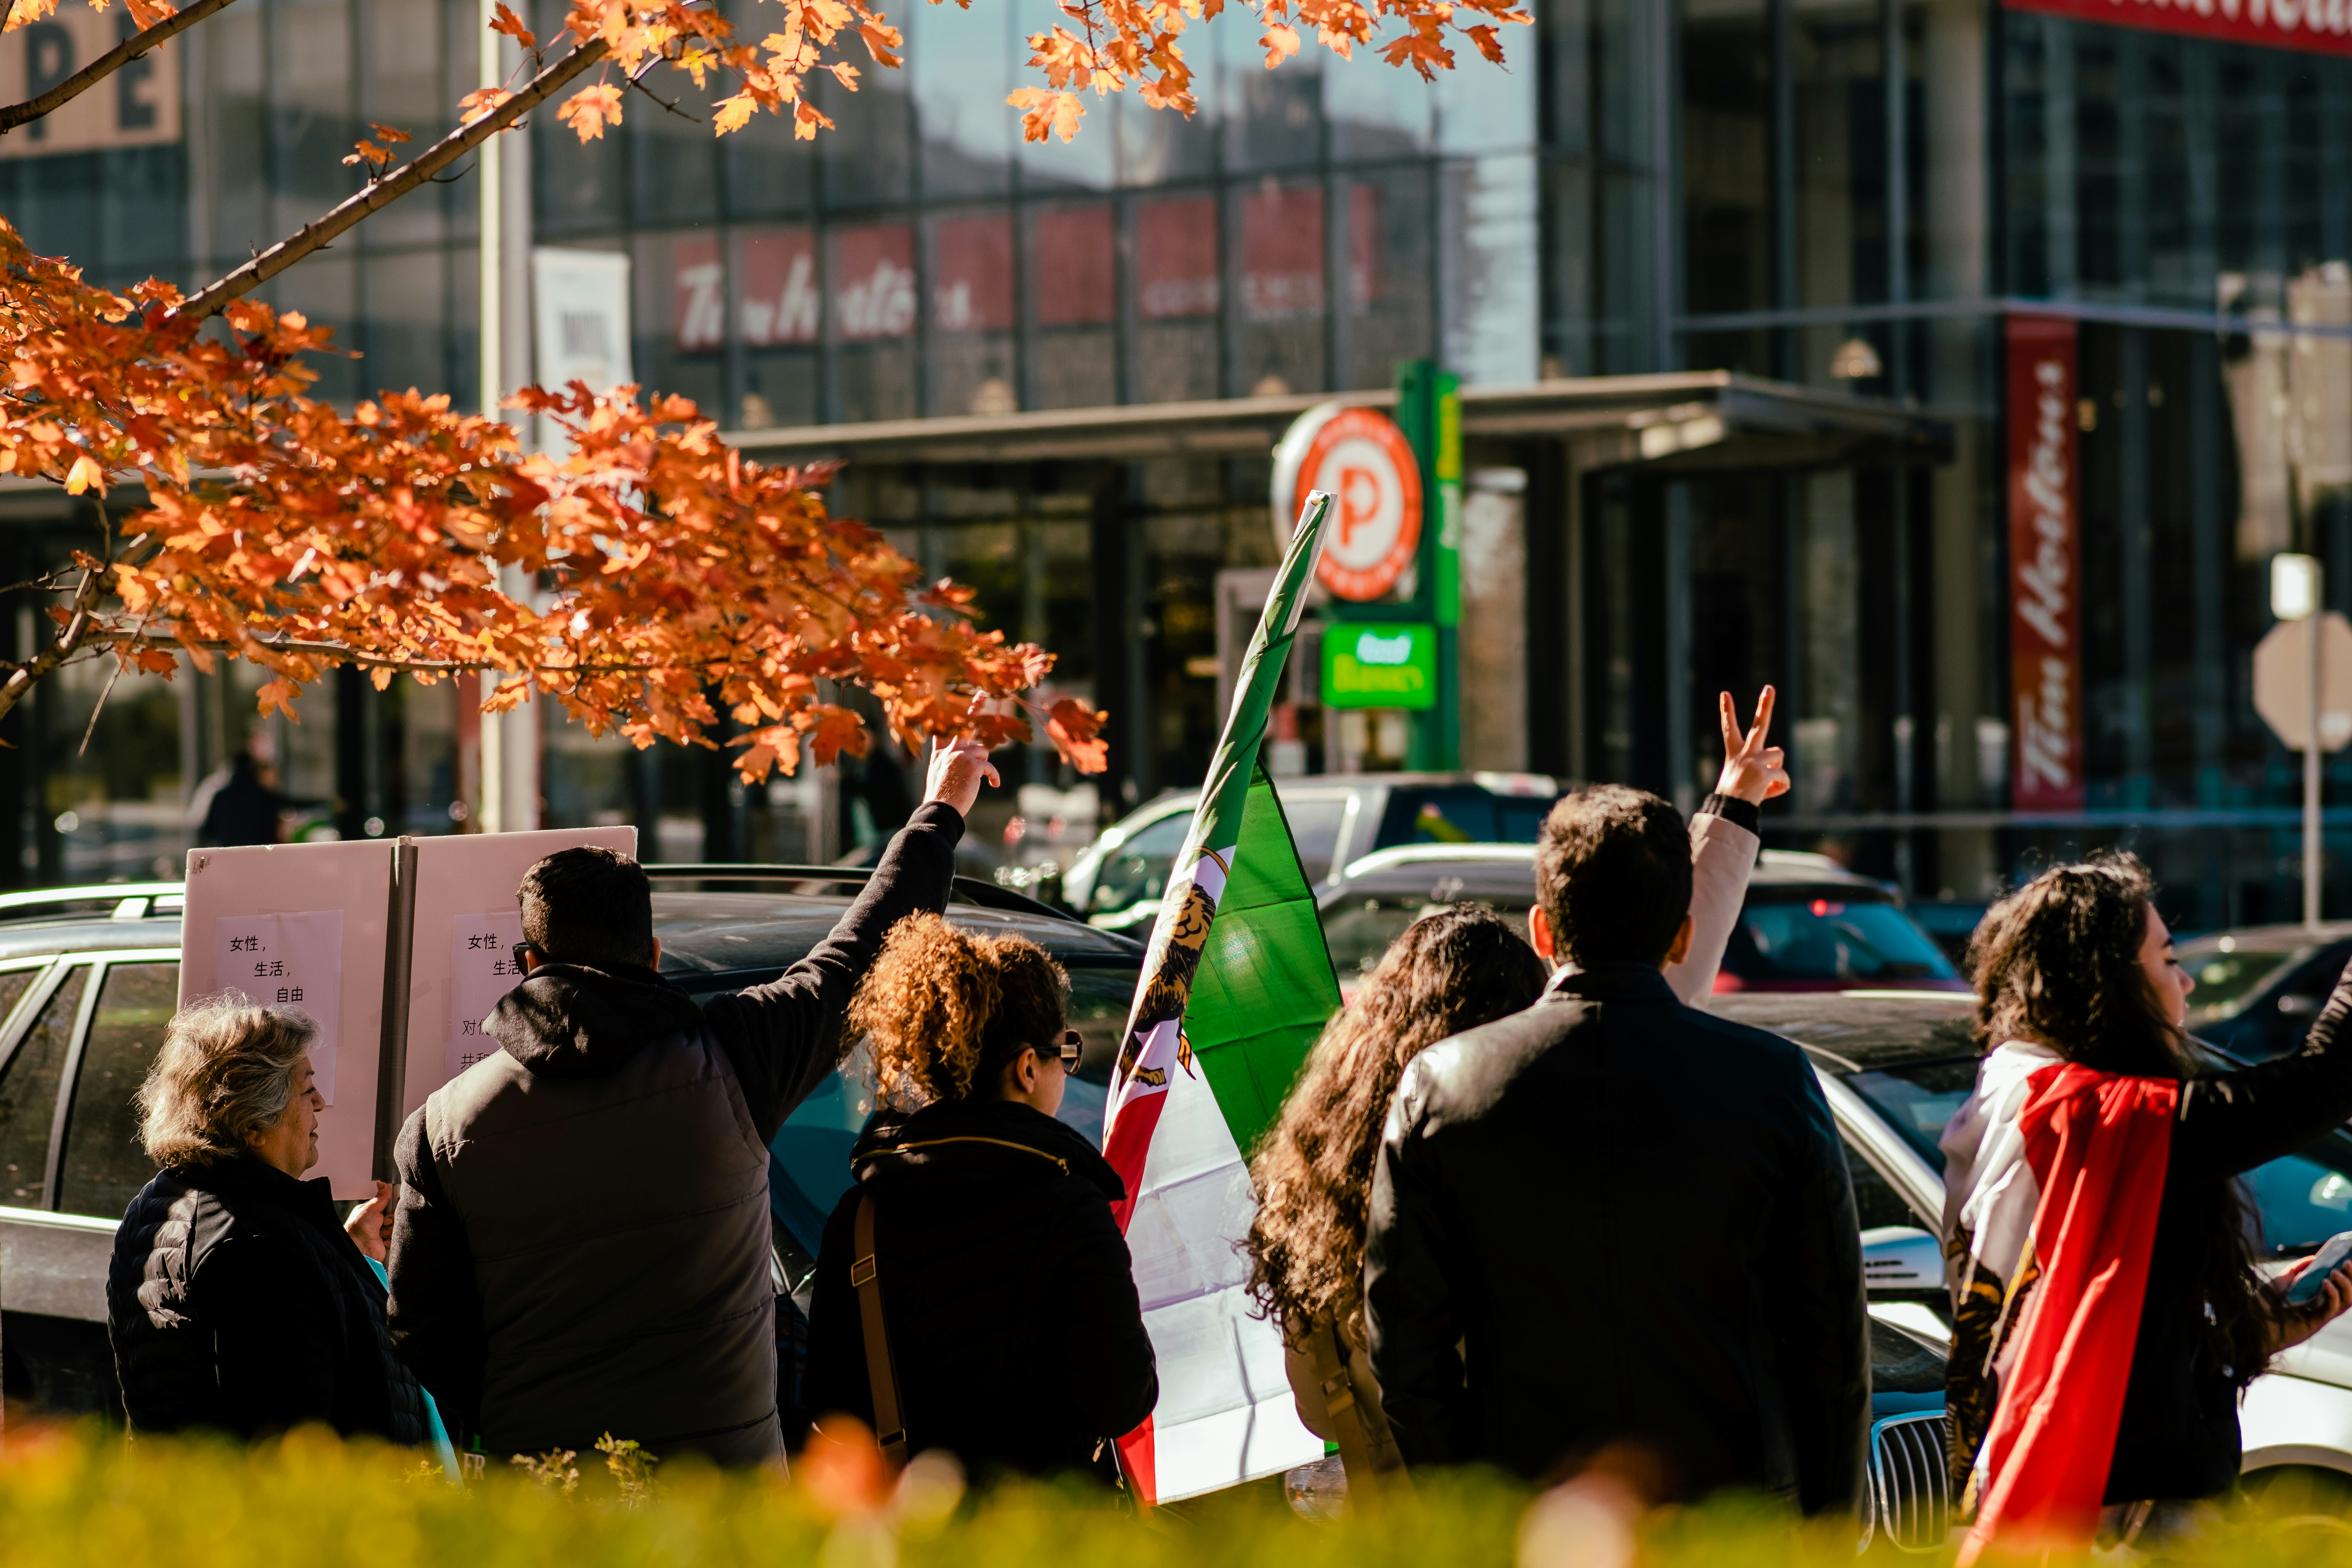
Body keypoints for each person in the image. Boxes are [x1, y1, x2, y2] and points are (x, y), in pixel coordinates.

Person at [386, 735, 998, 1467]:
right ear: (651, 954)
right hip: (727, 1498)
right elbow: (865, 947)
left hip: (552, 1505)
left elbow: (423, 1337)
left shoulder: (442, 1129)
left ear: (525, 965)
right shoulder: (738, 1055)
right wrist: (940, 808)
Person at [1244, 688, 1789, 1502]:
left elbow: (1315, 1394)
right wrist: (1731, 807)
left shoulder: (1310, 1194)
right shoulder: (1521, 1140)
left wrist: (1731, 808)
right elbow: (1659, 986)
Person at [1362, 783, 1869, 1514]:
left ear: (1541, 930)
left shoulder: (1439, 1088)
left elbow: (1408, 1356)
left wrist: (1471, 1514)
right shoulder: (1773, 1081)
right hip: (1736, 1520)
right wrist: (1827, 1527)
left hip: (1533, 1519)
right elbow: (1831, 1342)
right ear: (1683, 937)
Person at [1943, 857, 2352, 1560]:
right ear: (2105, 986)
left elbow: (2117, 1327)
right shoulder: (2088, 1119)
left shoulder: (2029, 1104)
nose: (2186, 980)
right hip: (2122, 1520)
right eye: (2167, 958)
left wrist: (2256, 1324)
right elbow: (2326, 1081)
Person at [801, 914, 1156, 1481]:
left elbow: (829, 1415)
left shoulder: (860, 1216)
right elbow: (1121, 1401)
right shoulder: (1071, 1211)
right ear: (1027, 1067)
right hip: (1045, 1533)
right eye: (1063, 1054)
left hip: (911, 1534)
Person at [106, 999, 429, 1446]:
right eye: (306, 1089)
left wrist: (347, 1259)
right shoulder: (254, 1243)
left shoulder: (164, 1201)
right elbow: (287, 1439)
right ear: (254, 1121)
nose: (319, 1102)